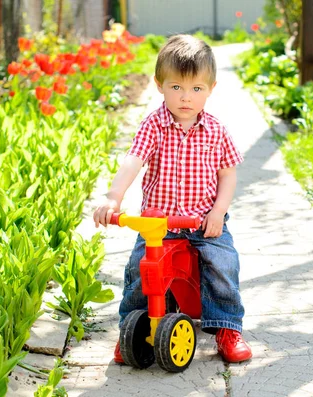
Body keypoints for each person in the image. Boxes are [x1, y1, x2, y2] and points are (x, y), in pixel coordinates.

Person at [93, 34, 252, 363]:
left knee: (223, 264)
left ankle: (226, 326)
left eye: (196, 89)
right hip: (158, 223)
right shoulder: (154, 124)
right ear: (159, 85)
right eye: (176, 87)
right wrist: (113, 197)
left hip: (203, 219)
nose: (185, 97)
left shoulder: (216, 130)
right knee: (141, 271)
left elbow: (228, 175)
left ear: (211, 89)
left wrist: (219, 212)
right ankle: (132, 331)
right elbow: (133, 161)